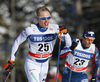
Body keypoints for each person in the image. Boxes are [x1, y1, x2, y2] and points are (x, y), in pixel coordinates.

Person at [4, 6, 71, 82]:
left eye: (48, 18)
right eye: (43, 18)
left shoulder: (55, 28)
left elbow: (68, 45)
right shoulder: (30, 30)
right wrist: (11, 60)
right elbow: (17, 42)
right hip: (32, 63)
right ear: (37, 19)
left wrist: (66, 34)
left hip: (45, 64)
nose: (46, 21)